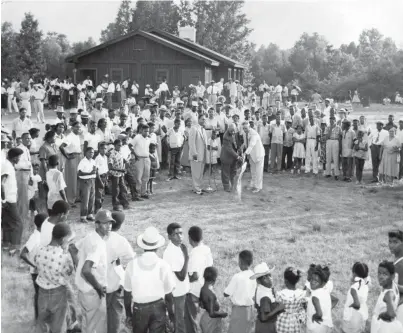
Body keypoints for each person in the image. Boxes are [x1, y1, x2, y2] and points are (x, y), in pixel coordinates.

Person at [123, 226, 176, 333]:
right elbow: (169, 296)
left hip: (139, 309)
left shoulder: (132, 265)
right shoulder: (163, 265)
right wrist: (172, 316)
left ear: (143, 246)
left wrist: (128, 314)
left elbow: (127, 293)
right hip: (158, 308)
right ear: (158, 246)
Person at [73, 209, 113, 333]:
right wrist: (99, 287)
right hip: (92, 292)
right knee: (97, 327)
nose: (109, 226)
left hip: (83, 291)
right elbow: (86, 271)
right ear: (97, 225)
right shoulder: (98, 244)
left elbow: (72, 248)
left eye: (110, 223)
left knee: (87, 325)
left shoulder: (90, 236)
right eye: (105, 223)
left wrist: (77, 265)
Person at [34, 222, 74, 333]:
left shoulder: (39, 250)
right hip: (58, 292)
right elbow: (69, 272)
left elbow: (36, 264)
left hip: (42, 292)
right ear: (63, 239)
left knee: (42, 321)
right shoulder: (64, 256)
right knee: (58, 324)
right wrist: (66, 251)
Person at [105, 211, 135, 333]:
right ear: (120, 225)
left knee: (101, 313)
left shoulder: (98, 235)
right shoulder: (120, 240)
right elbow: (131, 258)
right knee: (115, 311)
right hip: (115, 281)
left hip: (97, 281)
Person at [184, 226, 214, 333]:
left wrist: (183, 279)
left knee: (191, 323)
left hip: (194, 291)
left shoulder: (196, 253)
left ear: (190, 238)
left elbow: (195, 276)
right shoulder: (206, 249)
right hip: (204, 288)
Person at [20, 213, 48, 319]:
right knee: (39, 295)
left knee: (42, 295)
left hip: (41, 271)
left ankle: (40, 318)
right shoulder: (35, 238)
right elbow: (22, 254)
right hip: (36, 273)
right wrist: (34, 265)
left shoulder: (41, 235)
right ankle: (38, 318)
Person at [163, 223, 190, 333]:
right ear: (169, 236)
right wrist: (187, 257)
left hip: (183, 290)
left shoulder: (179, 247)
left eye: (181, 233)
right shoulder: (170, 252)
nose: (179, 237)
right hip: (177, 292)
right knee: (180, 322)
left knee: (183, 319)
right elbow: (182, 276)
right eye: (175, 234)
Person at [224, 250, 256, 333]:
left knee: (235, 330)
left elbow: (226, 293)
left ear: (240, 262)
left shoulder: (237, 277)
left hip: (239, 311)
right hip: (250, 310)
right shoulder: (254, 276)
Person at [1, 147, 24, 253]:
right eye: (19, 157)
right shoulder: (7, 166)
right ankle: (15, 247)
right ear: (14, 158)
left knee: (7, 223)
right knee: (18, 223)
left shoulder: (8, 165)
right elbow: (1, 183)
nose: (19, 159)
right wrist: (4, 200)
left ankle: (6, 245)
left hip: (8, 199)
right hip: (9, 200)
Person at [370, 261, 403, 333]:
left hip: (382, 327)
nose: (380, 276)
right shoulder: (394, 285)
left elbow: (391, 313)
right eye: (379, 273)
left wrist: (381, 315)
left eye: (385, 274)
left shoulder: (388, 294)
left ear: (392, 276)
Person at [250, 262, 283, 333]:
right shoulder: (264, 296)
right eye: (265, 277)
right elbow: (264, 317)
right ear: (258, 281)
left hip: (265, 325)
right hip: (266, 327)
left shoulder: (262, 289)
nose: (270, 278)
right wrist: (278, 308)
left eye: (270, 275)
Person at [341, 262, 370, 333]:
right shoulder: (365, 286)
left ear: (354, 274)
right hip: (361, 319)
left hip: (351, 319)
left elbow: (355, 297)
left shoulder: (353, 287)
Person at [276, 267, 306, 333]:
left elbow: (277, 308)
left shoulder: (281, 294)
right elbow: (302, 307)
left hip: (283, 321)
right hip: (295, 321)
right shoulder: (301, 294)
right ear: (297, 280)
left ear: (285, 280)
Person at [199, 267, 228, 333]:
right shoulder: (211, 294)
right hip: (211, 321)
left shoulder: (202, 289)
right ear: (214, 279)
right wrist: (222, 314)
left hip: (205, 318)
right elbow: (212, 314)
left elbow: (201, 304)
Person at [59, 121, 81, 206]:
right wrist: (67, 156)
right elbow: (61, 147)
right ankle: (70, 200)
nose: (78, 129)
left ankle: (76, 197)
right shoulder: (70, 137)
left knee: (78, 177)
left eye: (79, 127)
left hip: (78, 157)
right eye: (76, 127)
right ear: (72, 128)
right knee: (71, 179)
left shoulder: (77, 136)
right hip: (72, 158)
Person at [306, 265, 333, 333]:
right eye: (312, 279)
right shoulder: (326, 292)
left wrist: (314, 316)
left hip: (315, 327)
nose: (312, 282)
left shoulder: (315, 296)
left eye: (316, 281)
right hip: (325, 325)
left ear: (323, 283)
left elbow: (319, 314)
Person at [130, 124, 151, 200]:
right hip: (139, 159)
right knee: (138, 177)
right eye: (145, 131)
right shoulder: (137, 137)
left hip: (147, 158)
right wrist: (135, 155)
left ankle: (143, 193)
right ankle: (137, 193)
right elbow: (130, 145)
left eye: (148, 131)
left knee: (146, 177)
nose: (146, 133)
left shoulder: (148, 139)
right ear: (141, 131)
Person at [243, 121, 265, 193]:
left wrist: (245, 153)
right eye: (243, 128)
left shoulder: (254, 134)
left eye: (246, 128)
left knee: (258, 172)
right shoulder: (246, 133)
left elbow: (251, 145)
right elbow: (246, 143)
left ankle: (258, 187)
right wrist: (242, 146)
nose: (244, 130)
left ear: (249, 127)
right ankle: (252, 185)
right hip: (251, 155)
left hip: (258, 154)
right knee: (253, 171)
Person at [189, 114, 207, 195]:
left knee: (200, 172)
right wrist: (194, 153)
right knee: (196, 172)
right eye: (202, 119)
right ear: (198, 119)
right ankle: (197, 189)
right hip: (196, 154)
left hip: (203, 154)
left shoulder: (203, 129)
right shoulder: (194, 128)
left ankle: (198, 187)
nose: (204, 121)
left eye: (205, 119)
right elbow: (191, 143)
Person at [77, 147, 97, 222]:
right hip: (85, 181)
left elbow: (94, 171)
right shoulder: (83, 162)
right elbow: (79, 173)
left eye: (93, 152)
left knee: (92, 198)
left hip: (92, 180)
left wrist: (94, 173)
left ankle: (90, 215)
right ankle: (83, 216)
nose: (91, 154)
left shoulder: (93, 161)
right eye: (90, 152)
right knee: (85, 199)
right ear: (85, 153)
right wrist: (89, 173)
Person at [94, 142, 108, 213]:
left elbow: (105, 168)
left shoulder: (105, 157)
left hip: (104, 176)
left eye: (105, 148)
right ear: (99, 149)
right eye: (102, 148)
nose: (103, 150)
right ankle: (97, 209)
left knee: (102, 194)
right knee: (98, 194)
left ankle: (100, 207)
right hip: (99, 177)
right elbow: (96, 170)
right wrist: (99, 179)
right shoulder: (97, 158)